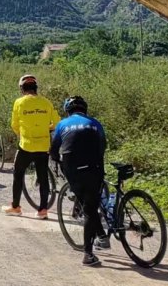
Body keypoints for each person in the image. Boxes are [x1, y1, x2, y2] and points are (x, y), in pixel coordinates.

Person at [51, 96, 110, 267]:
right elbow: (103, 145)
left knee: (89, 208)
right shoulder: (95, 123)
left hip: (73, 169)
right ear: (85, 110)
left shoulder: (62, 124)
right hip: (95, 167)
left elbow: (54, 151)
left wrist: (59, 163)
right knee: (90, 205)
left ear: (68, 110)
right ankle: (102, 236)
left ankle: (88, 254)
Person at [3, 73, 59, 219]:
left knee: (18, 174)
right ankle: (42, 210)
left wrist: (21, 133)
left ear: (22, 89)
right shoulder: (46, 102)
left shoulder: (19, 103)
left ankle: (15, 207)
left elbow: (14, 124)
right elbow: (56, 122)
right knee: (43, 176)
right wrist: (47, 128)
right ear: (36, 88)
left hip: (26, 145)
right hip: (43, 145)